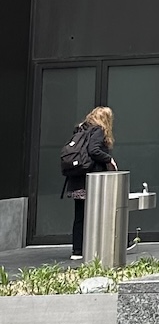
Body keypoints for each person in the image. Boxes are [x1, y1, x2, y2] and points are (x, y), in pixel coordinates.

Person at [60, 106, 115, 260]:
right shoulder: (98, 131)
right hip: (91, 181)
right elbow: (94, 150)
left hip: (77, 178)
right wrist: (109, 159)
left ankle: (77, 250)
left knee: (80, 215)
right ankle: (103, 245)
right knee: (102, 212)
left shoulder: (81, 130)